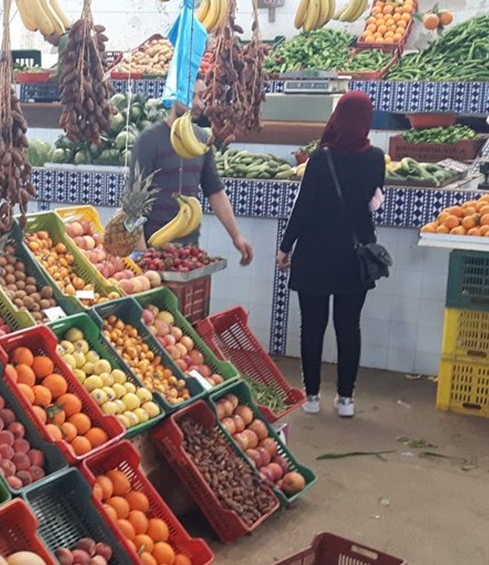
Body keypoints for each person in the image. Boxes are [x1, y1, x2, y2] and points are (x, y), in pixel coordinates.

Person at [277, 91, 386, 419]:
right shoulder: (377, 157)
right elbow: (374, 201)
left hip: (315, 253)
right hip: (355, 255)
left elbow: (303, 207)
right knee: (348, 326)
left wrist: (286, 247)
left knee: (312, 325)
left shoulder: (321, 158)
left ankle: (311, 397)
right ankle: (346, 400)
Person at [128, 77, 253, 265]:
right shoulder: (149, 140)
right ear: (174, 95)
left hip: (189, 250)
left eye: (201, 97)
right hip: (152, 250)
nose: (197, 103)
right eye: (190, 96)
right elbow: (134, 202)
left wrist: (237, 236)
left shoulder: (202, 140)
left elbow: (215, 191)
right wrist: (141, 254)